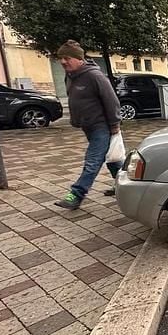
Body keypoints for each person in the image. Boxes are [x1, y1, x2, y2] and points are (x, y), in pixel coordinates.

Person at [54, 40, 123, 209]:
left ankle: (76, 195)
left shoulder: (94, 75)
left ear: (79, 59)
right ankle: (124, 186)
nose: (63, 62)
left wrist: (114, 124)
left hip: (102, 126)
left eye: (67, 58)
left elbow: (112, 101)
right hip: (88, 126)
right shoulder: (70, 76)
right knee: (113, 160)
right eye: (61, 58)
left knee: (93, 161)